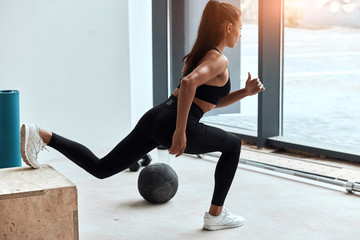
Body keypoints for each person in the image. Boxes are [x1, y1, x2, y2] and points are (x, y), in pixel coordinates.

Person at [20, 0, 264, 231]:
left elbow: (209, 101)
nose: (240, 33)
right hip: (176, 122)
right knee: (233, 145)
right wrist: (180, 131)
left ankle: (43, 135)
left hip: (157, 116)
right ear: (228, 27)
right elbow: (188, 84)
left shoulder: (199, 56)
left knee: (102, 167)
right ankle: (216, 215)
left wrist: (245, 92)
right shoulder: (218, 60)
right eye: (240, 28)